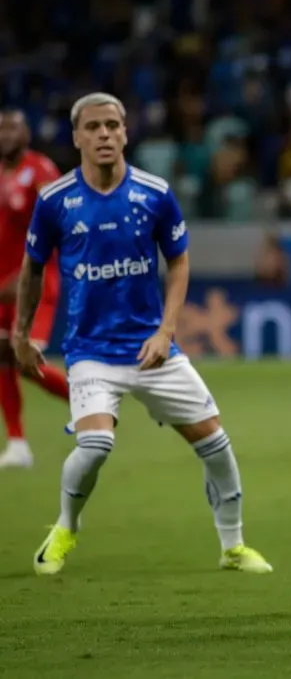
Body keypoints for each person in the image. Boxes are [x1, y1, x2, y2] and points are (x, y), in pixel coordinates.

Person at [12, 92, 272, 576]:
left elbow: (178, 262)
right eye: (93, 127)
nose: (105, 134)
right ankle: (66, 525)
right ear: (77, 137)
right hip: (90, 351)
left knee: (216, 445)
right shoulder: (55, 201)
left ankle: (233, 547)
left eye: (113, 125)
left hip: (154, 350)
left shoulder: (153, 193)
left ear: (126, 132)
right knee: (95, 447)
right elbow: (32, 269)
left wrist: (165, 329)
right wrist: (21, 333)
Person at [0, 109, 70, 469]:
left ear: (26, 132)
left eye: (13, 126)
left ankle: (90, 408)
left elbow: (59, 222)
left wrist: (28, 273)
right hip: (0, 289)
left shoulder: (40, 170)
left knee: (26, 359)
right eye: (1, 128)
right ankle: (17, 443)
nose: (6, 134)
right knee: (2, 359)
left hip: (34, 283)